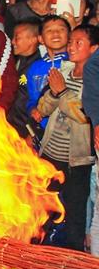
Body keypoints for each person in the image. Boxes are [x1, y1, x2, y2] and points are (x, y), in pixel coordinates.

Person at [36, 24, 99, 250]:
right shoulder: (63, 71)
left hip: (77, 160)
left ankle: (71, 260)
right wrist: (52, 95)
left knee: (74, 210)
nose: (71, 46)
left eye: (78, 42)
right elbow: (44, 106)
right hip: (51, 152)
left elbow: (85, 115)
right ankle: (37, 250)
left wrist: (62, 92)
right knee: (42, 204)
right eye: (70, 41)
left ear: (94, 48)